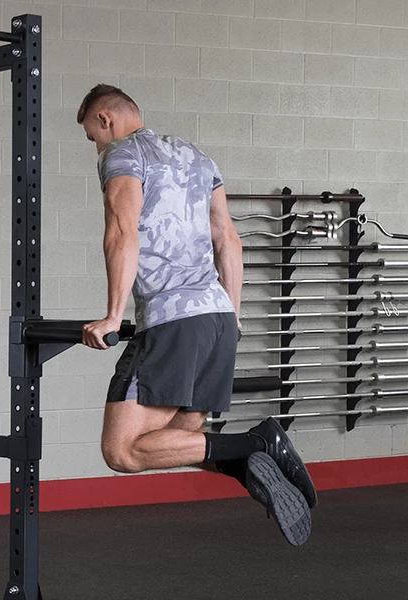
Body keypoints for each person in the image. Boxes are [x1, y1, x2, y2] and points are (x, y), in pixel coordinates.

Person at [77, 84, 316, 546]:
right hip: (219, 319)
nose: (96, 147)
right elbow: (229, 239)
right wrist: (234, 314)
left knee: (121, 451)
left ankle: (258, 444)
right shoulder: (197, 157)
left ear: (105, 118)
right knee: (174, 440)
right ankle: (245, 461)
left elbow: (122, 232)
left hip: (173, 321)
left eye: (92, 136)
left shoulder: (123, 154)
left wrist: (112, 315)